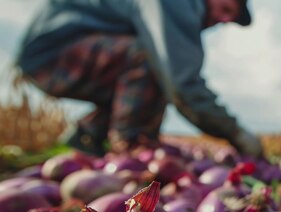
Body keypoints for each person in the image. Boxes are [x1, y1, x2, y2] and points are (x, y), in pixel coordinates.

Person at [15, 0, 263, 157]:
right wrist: (236, 133)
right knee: (152, 60)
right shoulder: (179, 4)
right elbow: (184, 85)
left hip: (56, 48)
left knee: (154, 69)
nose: (225, 19)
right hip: (56, 52)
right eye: (227, 8)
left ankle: (89, 136)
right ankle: (130, 150)